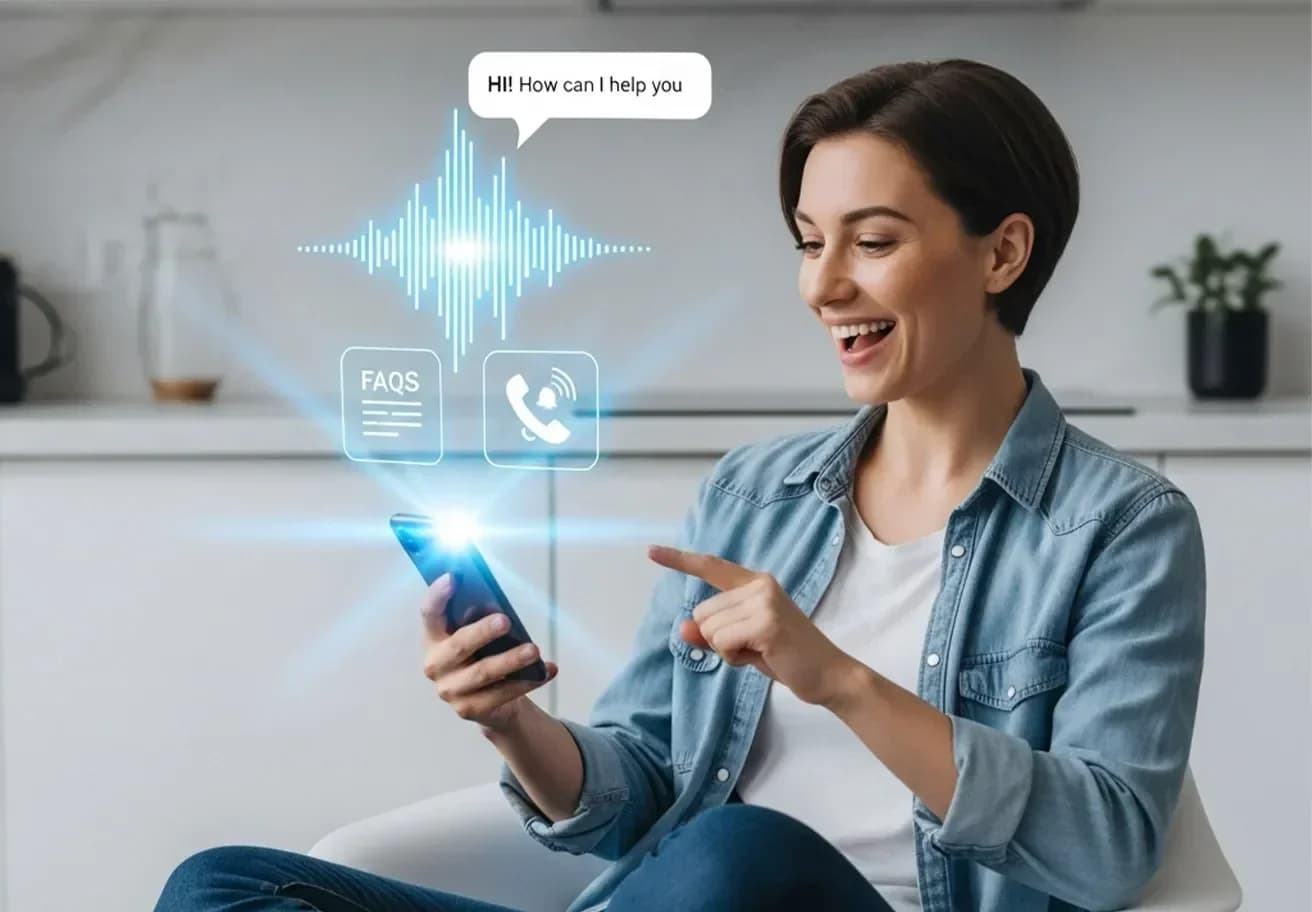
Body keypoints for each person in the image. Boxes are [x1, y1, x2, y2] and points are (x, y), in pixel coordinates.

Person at [154, 57, 1205, 912]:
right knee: (226, 888)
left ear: (1002, 253)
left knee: (744, 853)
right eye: (807, 243)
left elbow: (1107, 848)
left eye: (872, 242)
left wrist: (837, 678)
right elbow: (643, 794)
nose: (823, 284)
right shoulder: (756, 496)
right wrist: (514, 725)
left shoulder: (1119, 525)